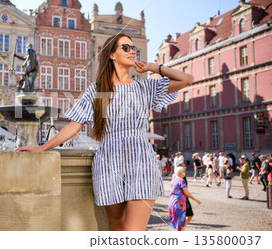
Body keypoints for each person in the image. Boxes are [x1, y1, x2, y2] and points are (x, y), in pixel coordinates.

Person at [17, 33, 193, 231]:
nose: (132, 51)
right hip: (109, 159)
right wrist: (43, 148)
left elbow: (187, 79)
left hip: (142, 159)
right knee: (116, 228)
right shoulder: (97, 91)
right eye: (125, 48)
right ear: (111, 55)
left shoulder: (146, 87)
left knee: (132, 233)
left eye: (133, 48)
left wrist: (155, 68)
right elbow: (74, 126)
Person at [168, 166, 201, 231]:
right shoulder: (182, 181)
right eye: (183, 171)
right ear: (180, 173)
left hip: (172, 202)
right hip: (179, 203)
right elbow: (187, 193)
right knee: (180, 223)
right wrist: (196, 200)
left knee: (178, 223)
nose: (184, 172)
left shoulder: (173, 180)